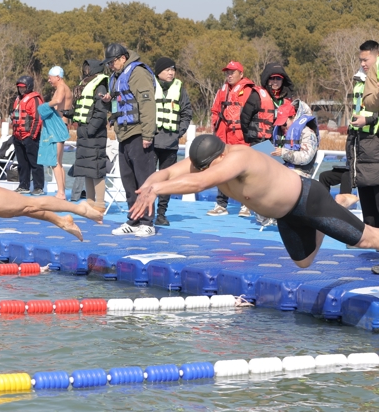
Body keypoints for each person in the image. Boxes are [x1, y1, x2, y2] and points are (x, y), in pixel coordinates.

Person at [130, 134, 379, 268]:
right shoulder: (207, 161)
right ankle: (337, 207)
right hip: (286, 215)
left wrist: (158, 189)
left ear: (221, 155)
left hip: (309, 200)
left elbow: (199, 183)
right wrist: (148, 187)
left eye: (209, 166)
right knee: (304, 262)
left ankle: (332, 209)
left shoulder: (239, 158)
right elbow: (167, 173)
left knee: (369, 240)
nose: (204, 170)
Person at [103, 44, 157, 237]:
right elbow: (119, 102)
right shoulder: (116, 77)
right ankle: (134, 220)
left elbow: (147, 104)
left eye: (112, 62)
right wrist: (108, 101)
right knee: (128, 180)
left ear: (123, 58)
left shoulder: (138, 73)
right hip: (123, 134)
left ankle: (147, 223)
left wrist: (148, 134)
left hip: (138, 133)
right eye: (109, 63)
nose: (110, 66)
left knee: (144, 180)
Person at [208, 61, 274, 217]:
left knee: (244, 172)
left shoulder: (250, 91)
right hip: (223, 138)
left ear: (241, 74)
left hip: (242, 138)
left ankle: (247, 204)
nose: (229, 75)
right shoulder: (222, 90)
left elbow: (252, 115)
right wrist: (215, 129)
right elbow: (215, 111)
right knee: (221, 170)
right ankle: (221, 204)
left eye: (232, 72)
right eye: (227, 72)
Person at [151, 57, 192, 226]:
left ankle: (161, 214)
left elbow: (186, 112)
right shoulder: (150, 86)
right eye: (167, 69)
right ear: (158, 72)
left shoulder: (179, 88)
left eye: (173, 69)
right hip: (151, 141)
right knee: (148, 179)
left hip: (170, 142)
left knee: (167, 181)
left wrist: (179, 133)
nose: (171, 73)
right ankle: (146, 213)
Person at [347, 41, 379, 228]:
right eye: (361, 60)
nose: (363, 64)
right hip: (361, 145)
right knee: (369, 213)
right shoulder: (359, 80)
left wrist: (367, 120)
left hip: (375, 144)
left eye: (366, 59)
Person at [70, 59, 109, 210]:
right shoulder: (85, 84)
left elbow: (100, 111)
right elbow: (82, 107)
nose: (85, 70)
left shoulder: (100, 85)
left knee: (96, 170)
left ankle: (100, 203)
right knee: (87, 169)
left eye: (88, 67)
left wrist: (90, 129)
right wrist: (70, 114)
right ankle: (90, 201)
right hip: (84, 132)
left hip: (94, 135)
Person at [41, 66, 73, 199]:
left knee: (55, 161)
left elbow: (58, 101)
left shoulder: (61, 87)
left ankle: (61, 192)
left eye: (50, 78)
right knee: (58, 162)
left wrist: (44, 106)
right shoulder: (65, 88)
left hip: (58, 125)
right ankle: (62, 191)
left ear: (58, 77)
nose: (49, 80)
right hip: (61, 124)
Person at [11, 75, 44, 194]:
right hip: (17, 136)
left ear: (28, 87)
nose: (21, 89)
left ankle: (38, 187)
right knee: (22, 164)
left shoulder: (35, 99)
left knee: (35, 163)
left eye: (23, 87)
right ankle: (23, 185)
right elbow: (15, 116)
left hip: (30, 137)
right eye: (19, 87)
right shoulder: (18, 99)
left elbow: (37, 118)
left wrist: (32, 136)